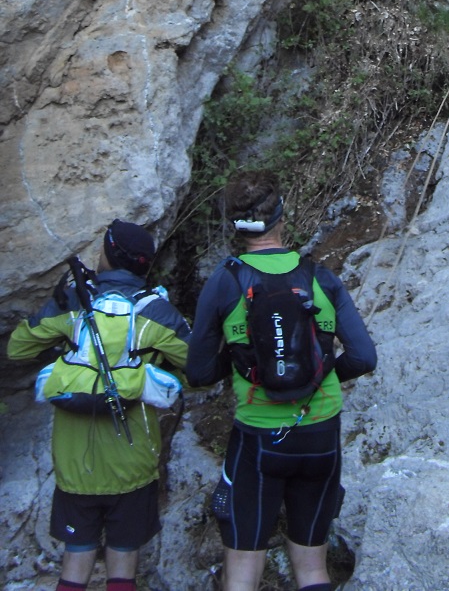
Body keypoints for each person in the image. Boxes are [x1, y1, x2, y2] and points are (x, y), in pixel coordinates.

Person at [186, 169, 377, 591]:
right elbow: (363, 357)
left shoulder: (225, 280)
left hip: (258, 437)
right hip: (321, 435)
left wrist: (241, 361)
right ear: (281, 217)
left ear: (234, 225)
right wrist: (319, 375)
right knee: (312, 569)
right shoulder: (320, 277)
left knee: (243, 569)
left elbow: (197, 372)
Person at [7, 220, 190, 591]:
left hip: (75, 466)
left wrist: (61, 327)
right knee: (123, 564)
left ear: (107, 254)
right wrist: (156, 368)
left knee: (76, 560)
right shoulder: (158, 313)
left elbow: (18, 348)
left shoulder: (73, 303)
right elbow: (200, 366)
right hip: (134, 463)